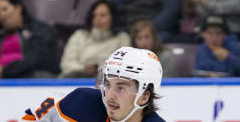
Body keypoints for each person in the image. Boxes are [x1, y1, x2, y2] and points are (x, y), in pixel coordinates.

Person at [21, 47, 165, 122]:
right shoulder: (80, 103)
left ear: (144, 97)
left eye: (121, 88)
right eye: (107, 84)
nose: (109, 95)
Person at [0, 0, 60, 79]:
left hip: (31, 81)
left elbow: (36, 59)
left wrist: (5, 70)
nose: (2, 15)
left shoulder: (41, 29)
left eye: (5, 9)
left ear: (18, 8)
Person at [60, 0, 130, 78]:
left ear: (113, 17)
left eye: (102, 15)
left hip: (109, 82)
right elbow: (66, 63)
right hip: (77, 78)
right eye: (94, 15)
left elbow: (123, 66)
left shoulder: (122, 38)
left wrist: (98, 70)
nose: (97, 19)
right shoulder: (79, 35)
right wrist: (83, 68)